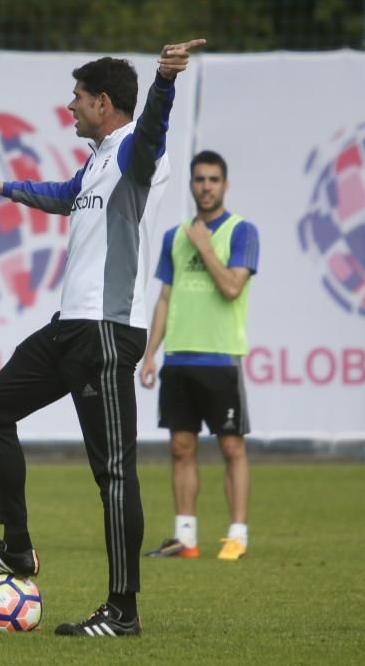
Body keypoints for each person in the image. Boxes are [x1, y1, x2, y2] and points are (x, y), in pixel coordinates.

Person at [0, 39, 205, 638]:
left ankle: (123, 610)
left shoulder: (137, 151)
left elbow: (156, 125)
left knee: (113, 474)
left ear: (104, 103)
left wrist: (164, 81)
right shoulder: (98, 160)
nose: (70, 107)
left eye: (78, 98)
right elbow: (64, 197)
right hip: (71, 328)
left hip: (108, 333)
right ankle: (17, 548)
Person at [139, 149, 259, 562]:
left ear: (224, 185)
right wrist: (150, 354)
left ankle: (236, 535)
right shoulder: (175, 237)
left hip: (220, 358)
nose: (205, 187)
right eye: (199, 180)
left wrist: (205, 247)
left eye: (213, 180)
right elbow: (164, 299)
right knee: (180, 448)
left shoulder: (241, 232)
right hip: (179, 360)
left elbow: (231, 288)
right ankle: (185, 538)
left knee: (231, 449)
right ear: (190, 185)